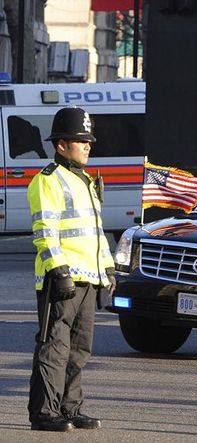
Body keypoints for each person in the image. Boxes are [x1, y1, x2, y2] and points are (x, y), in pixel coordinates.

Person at [27, 107, 115, 432]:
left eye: (89, 140)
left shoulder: (84, 181)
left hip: (88, 279)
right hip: (61, 281)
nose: (88, 145)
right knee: (55, 348)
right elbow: (44, 230)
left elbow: (95, 231)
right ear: (61, 144)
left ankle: (70, 408)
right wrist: (59, 270)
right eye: (81, 140)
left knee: (79, 349)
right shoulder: (47, 180)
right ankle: (45, 414)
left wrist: (107, 271)